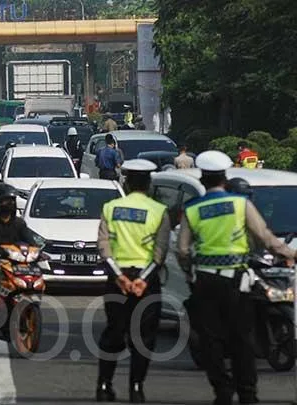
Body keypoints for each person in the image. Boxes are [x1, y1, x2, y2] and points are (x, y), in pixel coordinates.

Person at [178, 151, 297, 405]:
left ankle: (222, 390)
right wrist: (290, 254)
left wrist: (191, 276)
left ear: (203, 179)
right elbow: (265, 238)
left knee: (210, 341)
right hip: (236, 282)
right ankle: (247, 393)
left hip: (205, 282)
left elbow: (183, 251)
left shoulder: (193, 209)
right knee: (241, 339)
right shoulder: (241, 205)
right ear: (225, 178)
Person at [95, 159, 170, 403]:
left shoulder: (110, 208)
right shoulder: (159, 211)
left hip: (117, 280)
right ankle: (136, 388)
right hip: (146, 282)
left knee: (114, 332)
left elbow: (103, 246)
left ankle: (104, 385)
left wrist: (119, 277)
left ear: (126, 183)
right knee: (143, 337)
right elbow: (160, 252)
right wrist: (142, 281)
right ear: (148, 184)